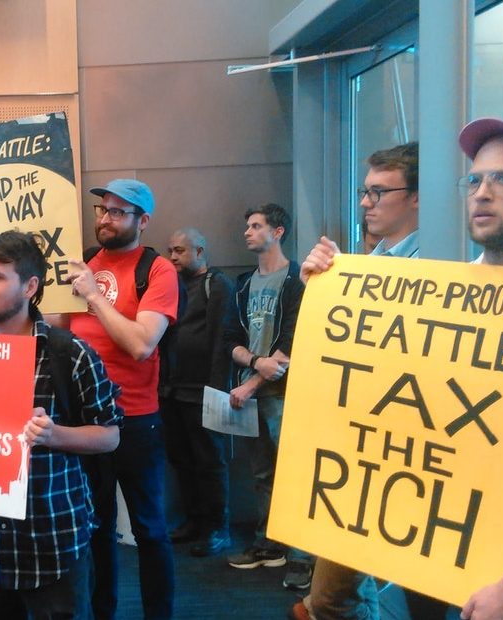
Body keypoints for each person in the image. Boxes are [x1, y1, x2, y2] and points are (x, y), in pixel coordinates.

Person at [0, 230, 121, 619]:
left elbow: (111, 435)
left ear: (30, 286)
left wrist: (54, 434)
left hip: (54, 539)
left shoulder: (70, 354)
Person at [295, 142, 421, 619]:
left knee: (334, 597)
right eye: (364, 192)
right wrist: (320, 292)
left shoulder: (441, 263)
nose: (366, 202)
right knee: (337, 595)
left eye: (378, 192)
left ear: (416, 197)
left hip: (404, 451)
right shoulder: (372, 262)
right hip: (363, 445)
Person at [67, 178, 177, 620]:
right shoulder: (87, 262)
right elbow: (59, 329)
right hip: (87, 423)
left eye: (117, 212)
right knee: (96, 531)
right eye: (102, 210)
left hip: (135, 421)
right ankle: (102, 613)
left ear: (142, 221)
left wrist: (93, 295)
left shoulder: (158, 270)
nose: (105, 219)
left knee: (149, 531)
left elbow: (141, 344)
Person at [223, 203, 309, 587]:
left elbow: (294, 341)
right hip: (252, 391)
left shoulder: (297, 282)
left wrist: (254, 378)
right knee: (262, 474)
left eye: (256, 226)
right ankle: (270, 544)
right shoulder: (243, 284)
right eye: (248, 225)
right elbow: (232, 341)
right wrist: (255, 365)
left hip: (285, 394)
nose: (247, 231)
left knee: (296, 474)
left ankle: (304, 556)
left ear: (277, 232)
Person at [457, 117, 503, 620]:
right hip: (448, 545)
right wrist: (329, 285)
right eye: (474, 180)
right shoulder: (450, 292)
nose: (483, 193)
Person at [160, 227, 235, 557]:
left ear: (200, 252)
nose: (173, 257)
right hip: (172, 392)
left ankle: (217, 529)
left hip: (204, 392)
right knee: (182, 461)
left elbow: (223, 338)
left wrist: (217, 391)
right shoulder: (172, 286)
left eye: (180, 251)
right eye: (170, 251)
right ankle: (194, 522)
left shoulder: (216, 285)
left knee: (209, 463)